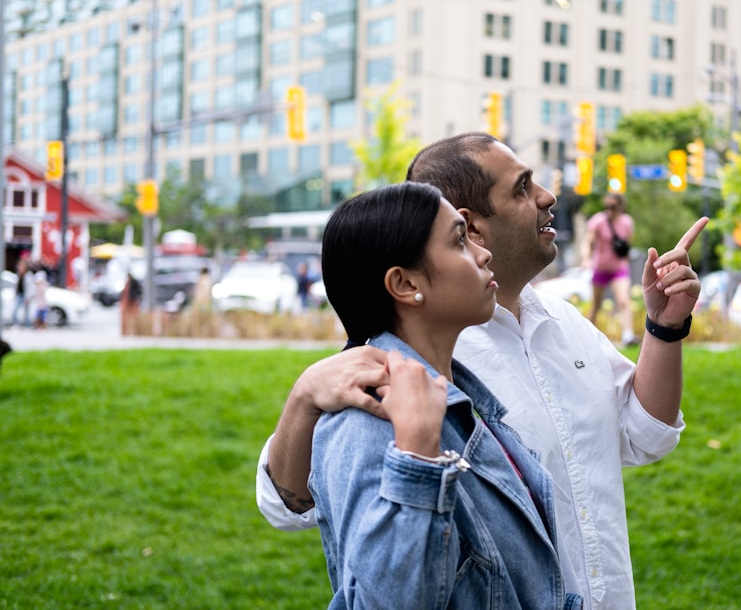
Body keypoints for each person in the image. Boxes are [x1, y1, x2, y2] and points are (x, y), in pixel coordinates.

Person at [257, 132, 707, 609]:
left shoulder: (544, 334)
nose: (547, 196)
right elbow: (301, 511)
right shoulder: (395, 383)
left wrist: (664, 327)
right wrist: (308, 398)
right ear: (471, 228)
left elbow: (646, 434)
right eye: (521, 187)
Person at [306, 181, 581, 608]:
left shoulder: (457, 393)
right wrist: (415, 458)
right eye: (459, 240)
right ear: (404, 283)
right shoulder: (373, 418)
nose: (482, 252)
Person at [582, 192, 638, 346]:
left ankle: (628, 335)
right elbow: (588, 241)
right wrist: (586, 258)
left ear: (621, 206)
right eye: (608, 207)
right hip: (600, 268)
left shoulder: (627, 222)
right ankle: (586, 336)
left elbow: (626, 243)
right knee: (596, 304)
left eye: (613, 207)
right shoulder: (598, 221)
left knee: (624, 301)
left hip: (619, 268)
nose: (610, 210)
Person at [13, 258, 32, 327]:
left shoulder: (28, 275)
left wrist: (28, 297)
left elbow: (30, 288)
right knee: (15, 309)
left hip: (25, 295)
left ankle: (28, 325)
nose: (19, 267)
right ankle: (16, 323)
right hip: (19, 295)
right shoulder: (18, 275)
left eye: (21, 266)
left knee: (27, 311)